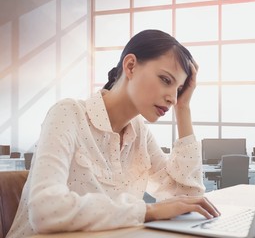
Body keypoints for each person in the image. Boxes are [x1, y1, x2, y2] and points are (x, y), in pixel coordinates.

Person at [7, 29, 220, 237]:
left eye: (179, 89)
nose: (173, 98)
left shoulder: (140, 133)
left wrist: (183, 110)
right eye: (166, 80)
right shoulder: (68, 114)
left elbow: (189, 199)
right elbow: (45, 211)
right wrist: (148, 211)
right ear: (130, 66)